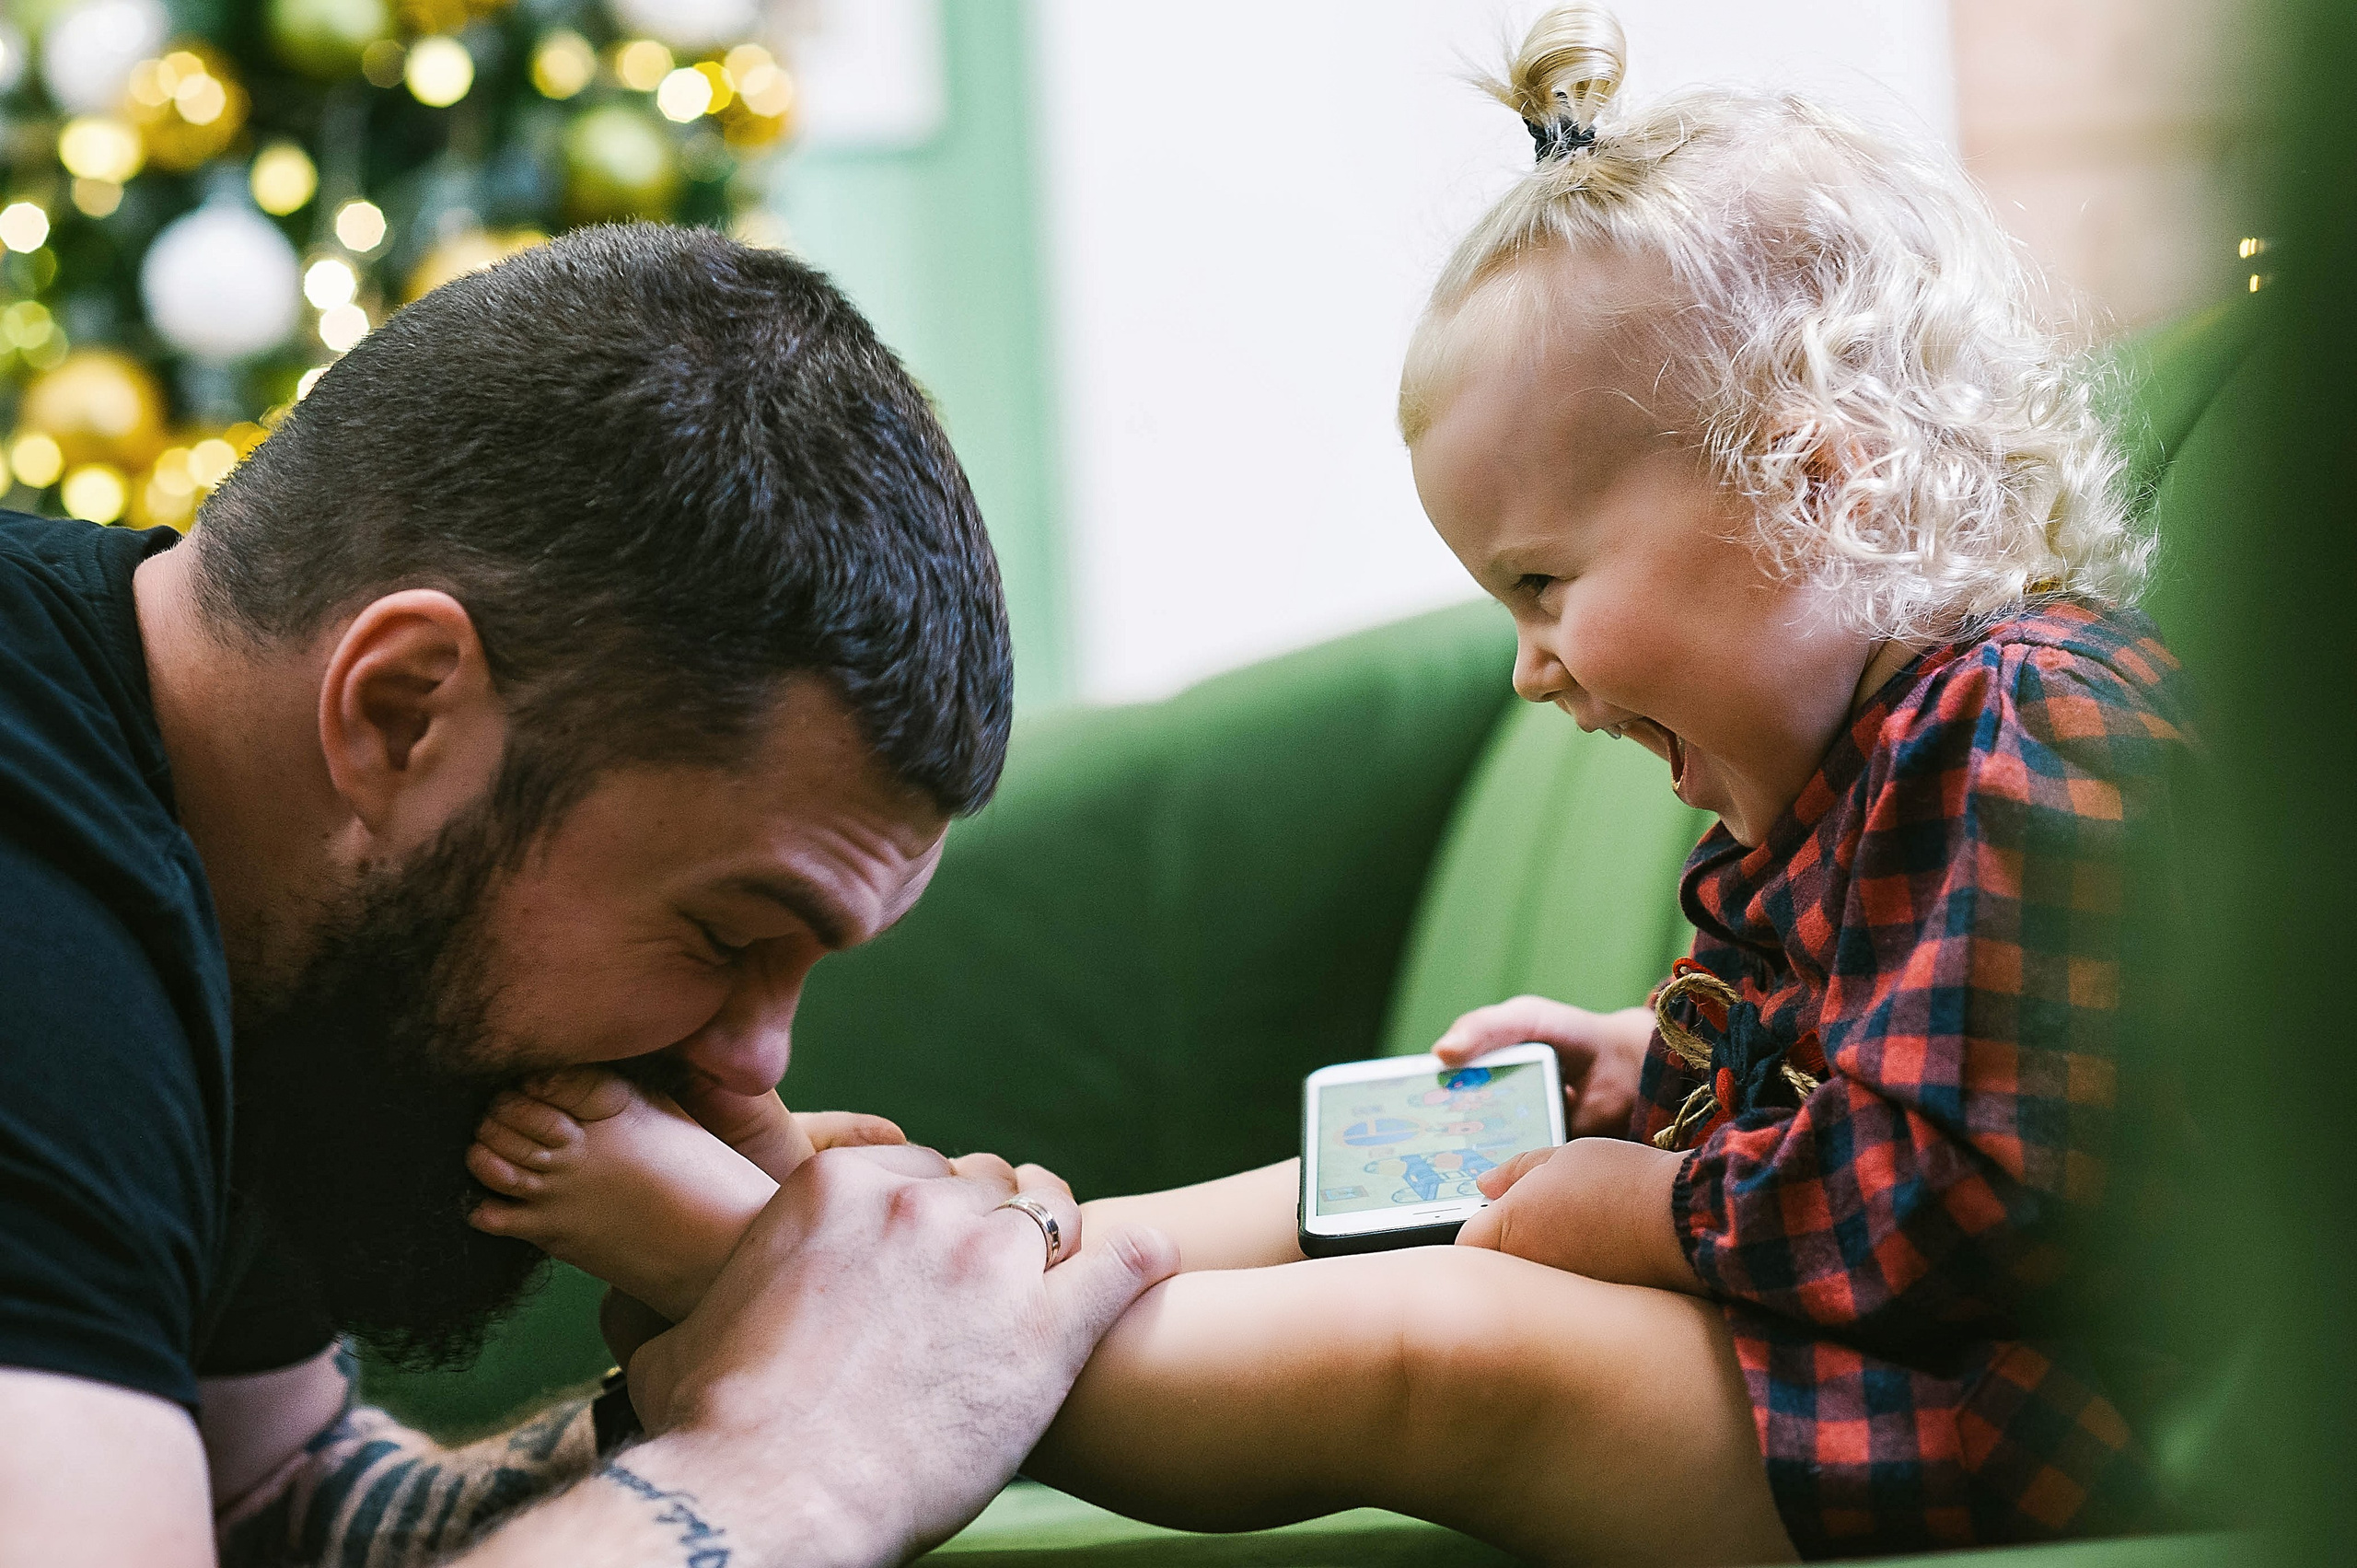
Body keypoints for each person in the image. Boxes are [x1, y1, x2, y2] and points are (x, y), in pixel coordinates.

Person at [464, 7, 2196, 1563]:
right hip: (1870, 1348)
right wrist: (1639, 1068)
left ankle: (792, 1298)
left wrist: (1657, 1202)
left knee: (1443, 1340)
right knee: (1380, 1172)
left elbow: (1969, 1202)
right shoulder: (1884, 750)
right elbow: (1922, 1065)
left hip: (1984, 1419)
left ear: (1812, 485)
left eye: (1544, 585)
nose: (1532, 667)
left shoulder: (2020, 734)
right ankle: (895, 1247)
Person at [0, 224, 1177, 1568]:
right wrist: (818, 1450)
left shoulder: (242, 904)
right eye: (725, 935)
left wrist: (701, 1401)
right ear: (401, 714)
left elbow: (269, 1505)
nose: (757, 1057)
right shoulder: (35, 931)